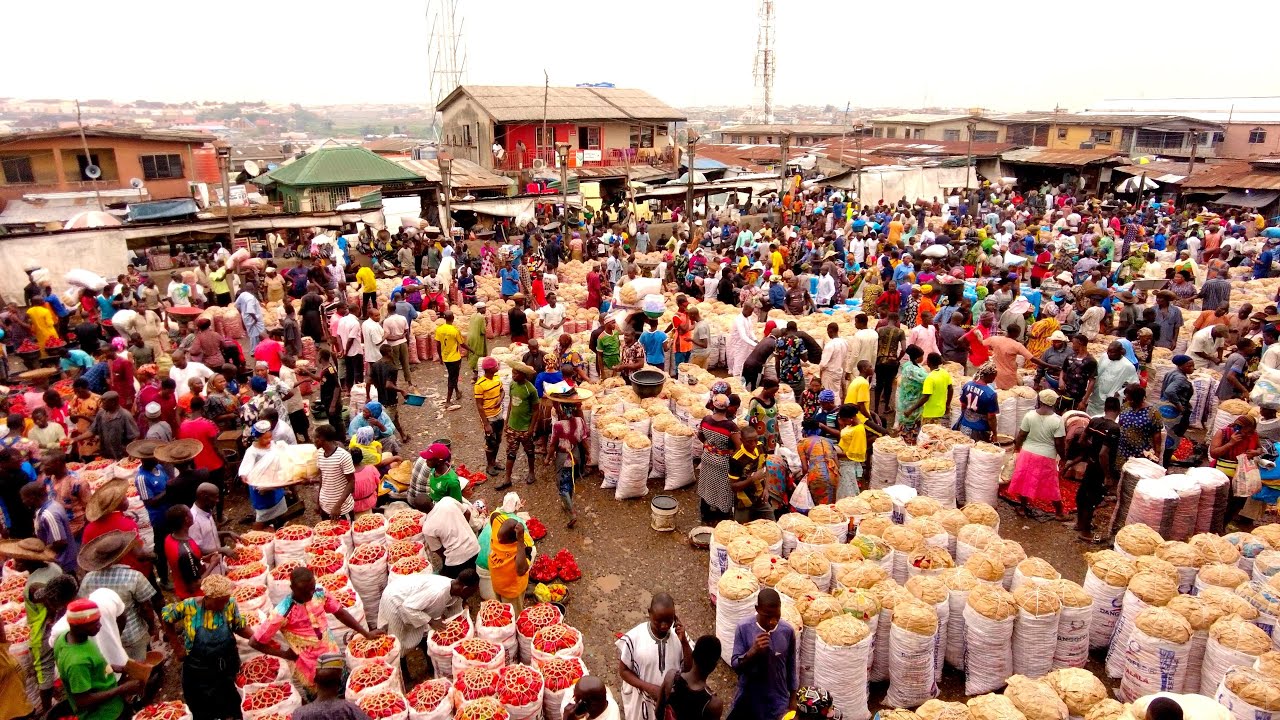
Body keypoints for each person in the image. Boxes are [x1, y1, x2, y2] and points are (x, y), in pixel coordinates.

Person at [161, 574, 291, 720]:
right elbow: (166, 617)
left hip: (227, 664)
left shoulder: (229, 604)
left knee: (231, 703)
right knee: (203, 706)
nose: (224, 605)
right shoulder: (189, 606)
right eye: (220, 602)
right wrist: (177, 647)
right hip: (199, 669)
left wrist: (260, 639)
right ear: (208, 597)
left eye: (226, 600)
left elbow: (238, 626)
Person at [253, 567, 381, 698]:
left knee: (344, 694)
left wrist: (366, 633)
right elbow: (255, 642)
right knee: (321, 702)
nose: (310, 594)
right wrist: (285, 654)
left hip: (332, 656)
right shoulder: (283, 612)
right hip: (309, 668)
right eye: (304, 592)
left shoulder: (319, 592)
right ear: (292, 588)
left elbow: (340, 613)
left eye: (312, 588)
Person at [376, 570, 479, 683]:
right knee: (399, 641)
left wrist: (457, 626)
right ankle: (405, 676)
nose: (472, 595)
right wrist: (430, 621)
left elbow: (454, 611)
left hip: (413, 601)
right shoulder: (437, 593)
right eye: (471, 592)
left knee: (424, 632)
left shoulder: (455, 589)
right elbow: (408, 608)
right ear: (464, 589)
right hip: (396, 600)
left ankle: (430, 665)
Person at [77, 530, 159, 663]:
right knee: (141, 665)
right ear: (123, 553)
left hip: (105, 634)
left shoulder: (88, 579)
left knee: (118, 665)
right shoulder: (134, 577)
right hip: (133, 633)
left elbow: (84, 605)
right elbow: (146, 608)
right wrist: (152, 627)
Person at [54, 598, 143, 720]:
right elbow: (82, 700)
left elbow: (88, 670)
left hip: (113, 706)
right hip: (105, 715)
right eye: (94, 623)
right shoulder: (76, 662)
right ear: (78, 626)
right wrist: (122, 689)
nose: (100, 625)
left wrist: (110, 667)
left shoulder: (64, 638)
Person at [617, 593, 693, 720]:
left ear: (674, 616)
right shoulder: (635, 637)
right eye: (658, 621)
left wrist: (684, 642)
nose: (664, 626)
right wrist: (648, 687)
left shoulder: (680, 637)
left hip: (670, 703)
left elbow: (689, 669)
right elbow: (623, 671)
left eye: (668, 621)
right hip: (642, 702)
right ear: (649, 613)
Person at [729, 588, 797, 720]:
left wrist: (793, 698)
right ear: (757, 609)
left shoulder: (787, 631)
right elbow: (735, 665)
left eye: (777, 616)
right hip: (749, 697)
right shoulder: (744, 628)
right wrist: (752, 652)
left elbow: (791, 666)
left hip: (778, 700)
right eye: (768, 616)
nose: (773, 621)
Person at [1108, 383, 1166, 538]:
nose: (1127, 399)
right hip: (1123, 448)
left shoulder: (1152, 412)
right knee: (1120, 472)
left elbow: (1156, 435)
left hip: (1141, 451)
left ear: (1139, 398)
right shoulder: (1126, 407)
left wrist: (1157, 453)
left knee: (1136, 478)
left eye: (1130, 397)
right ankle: (1120, 496)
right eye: (1126, 397)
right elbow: (1120, 424)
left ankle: (1134, 502)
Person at [1065, 397, 1121, 543]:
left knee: (1083, 492)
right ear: (1118, 410)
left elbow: (1082, 440)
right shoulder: (1114, 429)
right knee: (1093, 498)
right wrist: (1108, 475)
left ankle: (1079, 523)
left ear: (1105, 408)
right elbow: (1104, 454)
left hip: (1091, 463)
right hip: (1100, 468)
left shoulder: (1095, 421)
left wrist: (1092, 450)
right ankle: (1086, 531)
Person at [1008, 388, 1068, 520]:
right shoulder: (1057, 421)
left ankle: (1023, 508)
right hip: (1046, 456)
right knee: (1051, 484)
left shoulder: (1029, 415)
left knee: (1025, 480)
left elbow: (1021, 435)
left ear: (1040, 401)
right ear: (1054, 403)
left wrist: (1017, 448)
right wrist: (1064, 458)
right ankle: (1059, 513)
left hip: (1027, 453)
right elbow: (1059, 444)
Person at [549, 388, 590, 528]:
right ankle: (567, 503)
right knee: (571, 480)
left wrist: (548, 458)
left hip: (563, 457)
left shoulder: (558, 425)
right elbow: (584, 440)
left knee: (562, 484)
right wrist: (589, 455)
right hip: (576, 456)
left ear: (561, 409)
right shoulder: (580, 421)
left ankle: (572, 512)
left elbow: (553, 445)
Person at [1213, 415, 1264, 526]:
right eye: (1247, 432)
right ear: (1237, 428)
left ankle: (1224, 525)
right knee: (1221, 504)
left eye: (1251, 432)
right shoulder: (1223, 433)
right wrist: (1231, 443)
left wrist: (1256, 452)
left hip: (1243, 477)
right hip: (1223, 475)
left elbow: (1260, 448)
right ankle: (1216, 527)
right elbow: (1214, 453)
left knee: (1237, 504)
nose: (1249, 435)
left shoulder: (1253, 435)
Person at [657, 635, 723, 720]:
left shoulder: (671, 677)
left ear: (693, 654)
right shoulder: (713, 704)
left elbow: (658, 712)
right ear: (714, 666)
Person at [415, 492, 480, 578]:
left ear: (420, 511)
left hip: (456, 561)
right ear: (431, 499)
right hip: (474, 547)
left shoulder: (427, 528)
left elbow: (439, 550)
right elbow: (467, 513)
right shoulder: (447, 501)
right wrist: (463, 526)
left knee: (447, 579)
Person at [697, 394, 740, 523]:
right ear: (727, 408)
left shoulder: (706, 420)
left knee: (707, 484)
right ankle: (722, 516)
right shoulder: (730, 426)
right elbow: (739, 446)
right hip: (723, 461)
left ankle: (705, 513)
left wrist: (709, 446)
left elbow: (700, 436)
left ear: (713, 406)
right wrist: (731, 454)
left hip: (707, 457)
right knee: (723, 488)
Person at [24, 481, 77, 575]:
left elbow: (60, 541)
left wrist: (41, 552)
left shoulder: (49, 514)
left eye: (25, 498)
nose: (24, 501)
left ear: (33, 498)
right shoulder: (49, 505)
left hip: (62, 563)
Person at [1158, 355, 1195, 465]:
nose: (1193, 368)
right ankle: (1164, 464)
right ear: (1181, 366)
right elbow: (1169, 391)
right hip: (1173, 414)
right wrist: (1179, 406)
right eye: (1190, 366)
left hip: (1163, 408)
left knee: (1163, 435)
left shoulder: (1171, 373)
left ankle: (1160, 460)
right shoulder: (1180, 378)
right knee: (1171, 438)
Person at [488, 516, 531, 612]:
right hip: (497, 584)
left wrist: (520, 540)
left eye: (502, 540)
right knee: (501, 610)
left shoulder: (523, 548)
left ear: (513, 539)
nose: (498, 540)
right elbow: (494, 516)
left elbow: (521, 570)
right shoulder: (498, 522)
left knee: (513, 616)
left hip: (511, 592)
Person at [313, 424, 355, 520]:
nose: (314, 441)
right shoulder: (319, 453)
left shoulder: (343, 456)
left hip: (342, 509)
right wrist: (318, 502)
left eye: (315, 438)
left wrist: (338, 506)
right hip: (325, 506)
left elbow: (351, 483)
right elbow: (322, 478)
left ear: (322, 439)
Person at [1089, 340, 1140, 416]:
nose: (1109, 354)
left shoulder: (1128, 366)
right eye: (1108, 351)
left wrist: (1120, 393)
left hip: (1111, 401)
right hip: (1095, 397)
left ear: (1120, 352)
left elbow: (1135, 384)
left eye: (1112, 352)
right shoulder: (1104, 357)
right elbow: (1097, 373)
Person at [475, 357, 506, 476]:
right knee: (490, 443)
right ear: (490, 369)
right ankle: (489, 465)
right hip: (489, 418)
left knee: (498, 440)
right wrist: (486, 424)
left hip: (498, 414)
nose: (498, 366)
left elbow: (502, 391)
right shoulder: (480, 384)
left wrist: (500, 399)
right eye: (496, 366)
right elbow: (479, 405)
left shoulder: (497, 379)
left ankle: (494, 461)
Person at [895, 345, 929, 442]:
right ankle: (907, 442)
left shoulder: (909, 364)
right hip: (911, 402)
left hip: (908, 399)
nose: (923, 358)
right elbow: (927, 379)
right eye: (922, 356)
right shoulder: (913, 370)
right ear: (918, 358)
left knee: (911, 422)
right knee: (909, 424)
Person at [435, 311, 464, 408]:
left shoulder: (439, 329)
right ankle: (448, 401)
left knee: (453, 376)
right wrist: (471, 350)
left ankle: (457, 392)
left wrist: (440, 357)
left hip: (446, 358)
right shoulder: (455, 330)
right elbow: (462, 343)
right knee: (452, 378)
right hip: (455, 358)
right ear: (453, 318)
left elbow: (438, 345)